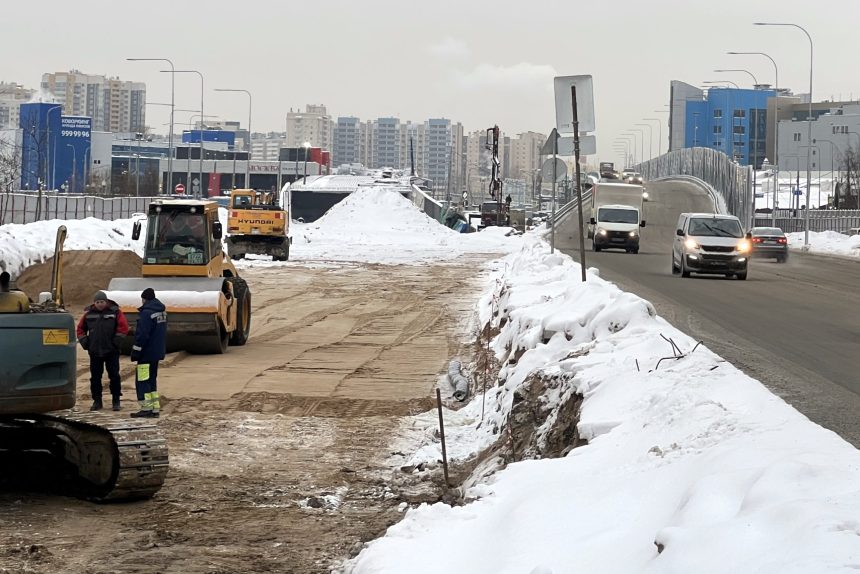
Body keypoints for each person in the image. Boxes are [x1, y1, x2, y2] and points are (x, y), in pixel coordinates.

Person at [76, 291, 129, 411]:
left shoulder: (115, 312)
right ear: (94, 303)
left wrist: (116, 343)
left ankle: (116, 401)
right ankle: (97, 401)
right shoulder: (88, 314)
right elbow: (80, 329)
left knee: (114, 376)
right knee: (95, 378)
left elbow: (123, 327)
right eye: (97, 302)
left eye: (102, 302)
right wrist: (86, 343)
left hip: (111, 351)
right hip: (94, 352)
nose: (100, 304)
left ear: (106, 302)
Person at [130, 287, 167, 418]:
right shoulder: (161, 312)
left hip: (146, 354)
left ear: (144, 299)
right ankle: (154, 408)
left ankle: (146, 408)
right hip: (156, 353)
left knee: (142, 380)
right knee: (151, 380)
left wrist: (136, 351)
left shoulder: (146, 313)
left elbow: (142, 335)